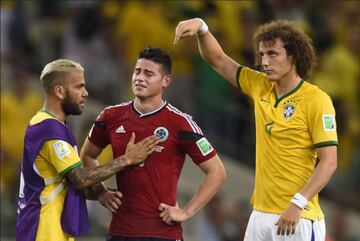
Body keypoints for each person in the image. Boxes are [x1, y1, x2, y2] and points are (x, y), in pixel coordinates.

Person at [173, 18, 338, 241]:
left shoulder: (317, 100)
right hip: (259, 216)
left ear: (293, 56)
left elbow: (329, 162)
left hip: (297, 215)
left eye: (272, 54)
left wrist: (298, 203)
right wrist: (202, 27)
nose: (264, 62)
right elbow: (219, 60)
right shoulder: (260, 85)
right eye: (262, 55)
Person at [80, 47, 226, 241]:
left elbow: (217, 172)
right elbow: (87, 155)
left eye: (149, 73)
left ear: (166, 81)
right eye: (137, 71)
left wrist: (186, 212)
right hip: (120, 232)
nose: (140, 78)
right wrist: (100, 192)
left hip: (162, 233)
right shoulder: (111, 116)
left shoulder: (180, 123)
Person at [16, 59, 159, 241]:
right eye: (79, 87)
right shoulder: (49, 129)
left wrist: (100, 193)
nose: (85, 93)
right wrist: (127, 159)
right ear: (60, 91)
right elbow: (81, 178)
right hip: (43, 230)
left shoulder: (51, 125)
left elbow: (62, 184)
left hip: (50, 228)